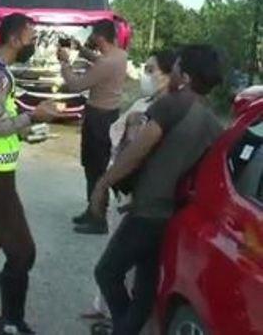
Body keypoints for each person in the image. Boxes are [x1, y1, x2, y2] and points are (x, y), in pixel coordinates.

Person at [90, 44, 224, 335]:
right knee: (145, 287)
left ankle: (124, 329)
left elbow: (137, 152)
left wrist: (103, 183)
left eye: (176, 66)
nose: (171, 71)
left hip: (148, 211)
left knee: (107, 272)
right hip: (172, 216)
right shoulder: (214, 124)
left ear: (185, 76)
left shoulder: (171, 104)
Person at [0, 13, 60, 334]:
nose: (34, 42)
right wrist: (33, 116)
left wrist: (23, 129)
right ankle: (12, 322)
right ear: (15, 38)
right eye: (31, 37)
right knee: (22, 252)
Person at [80, 49, 177, 323]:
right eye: (144, 69)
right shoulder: (144, 103)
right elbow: (118, 136)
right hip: (121, 189)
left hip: (139, 197)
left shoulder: (166, 112)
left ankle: (123, 321)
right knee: (113, 252)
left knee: (120, 267)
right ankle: (107, 310)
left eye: (151, 70)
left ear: (171, 75)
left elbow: (142, 152)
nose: (145, 75)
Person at [57, 19, 128, 234]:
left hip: (98, 118)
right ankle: (92, 210)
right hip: (108, 115)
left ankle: (98, 218)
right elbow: (100, 60)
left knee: (94, 168)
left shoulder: (106, 63)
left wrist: (64, 62)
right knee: (94, 167)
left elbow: (76, 84)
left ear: (99, 37)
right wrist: (83, 51)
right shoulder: (119, 56)